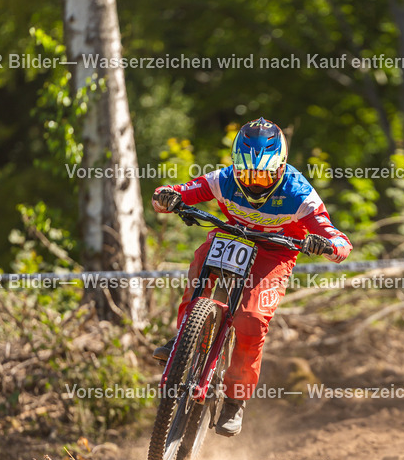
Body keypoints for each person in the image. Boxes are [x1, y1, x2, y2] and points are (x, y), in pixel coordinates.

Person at [151, 117, 352, 436]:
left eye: (263, 174)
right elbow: (174, 193)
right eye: (246, 173)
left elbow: (340, 241)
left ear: (281, 167)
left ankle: (235, 399)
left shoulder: (300, 194)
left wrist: (327, 246)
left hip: (275, 253)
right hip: (231, 237)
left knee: (251, 319)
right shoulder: (223, 179)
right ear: (236, 165)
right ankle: (184, 340)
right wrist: (166, 197)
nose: (254, 182)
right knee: (200, 264)